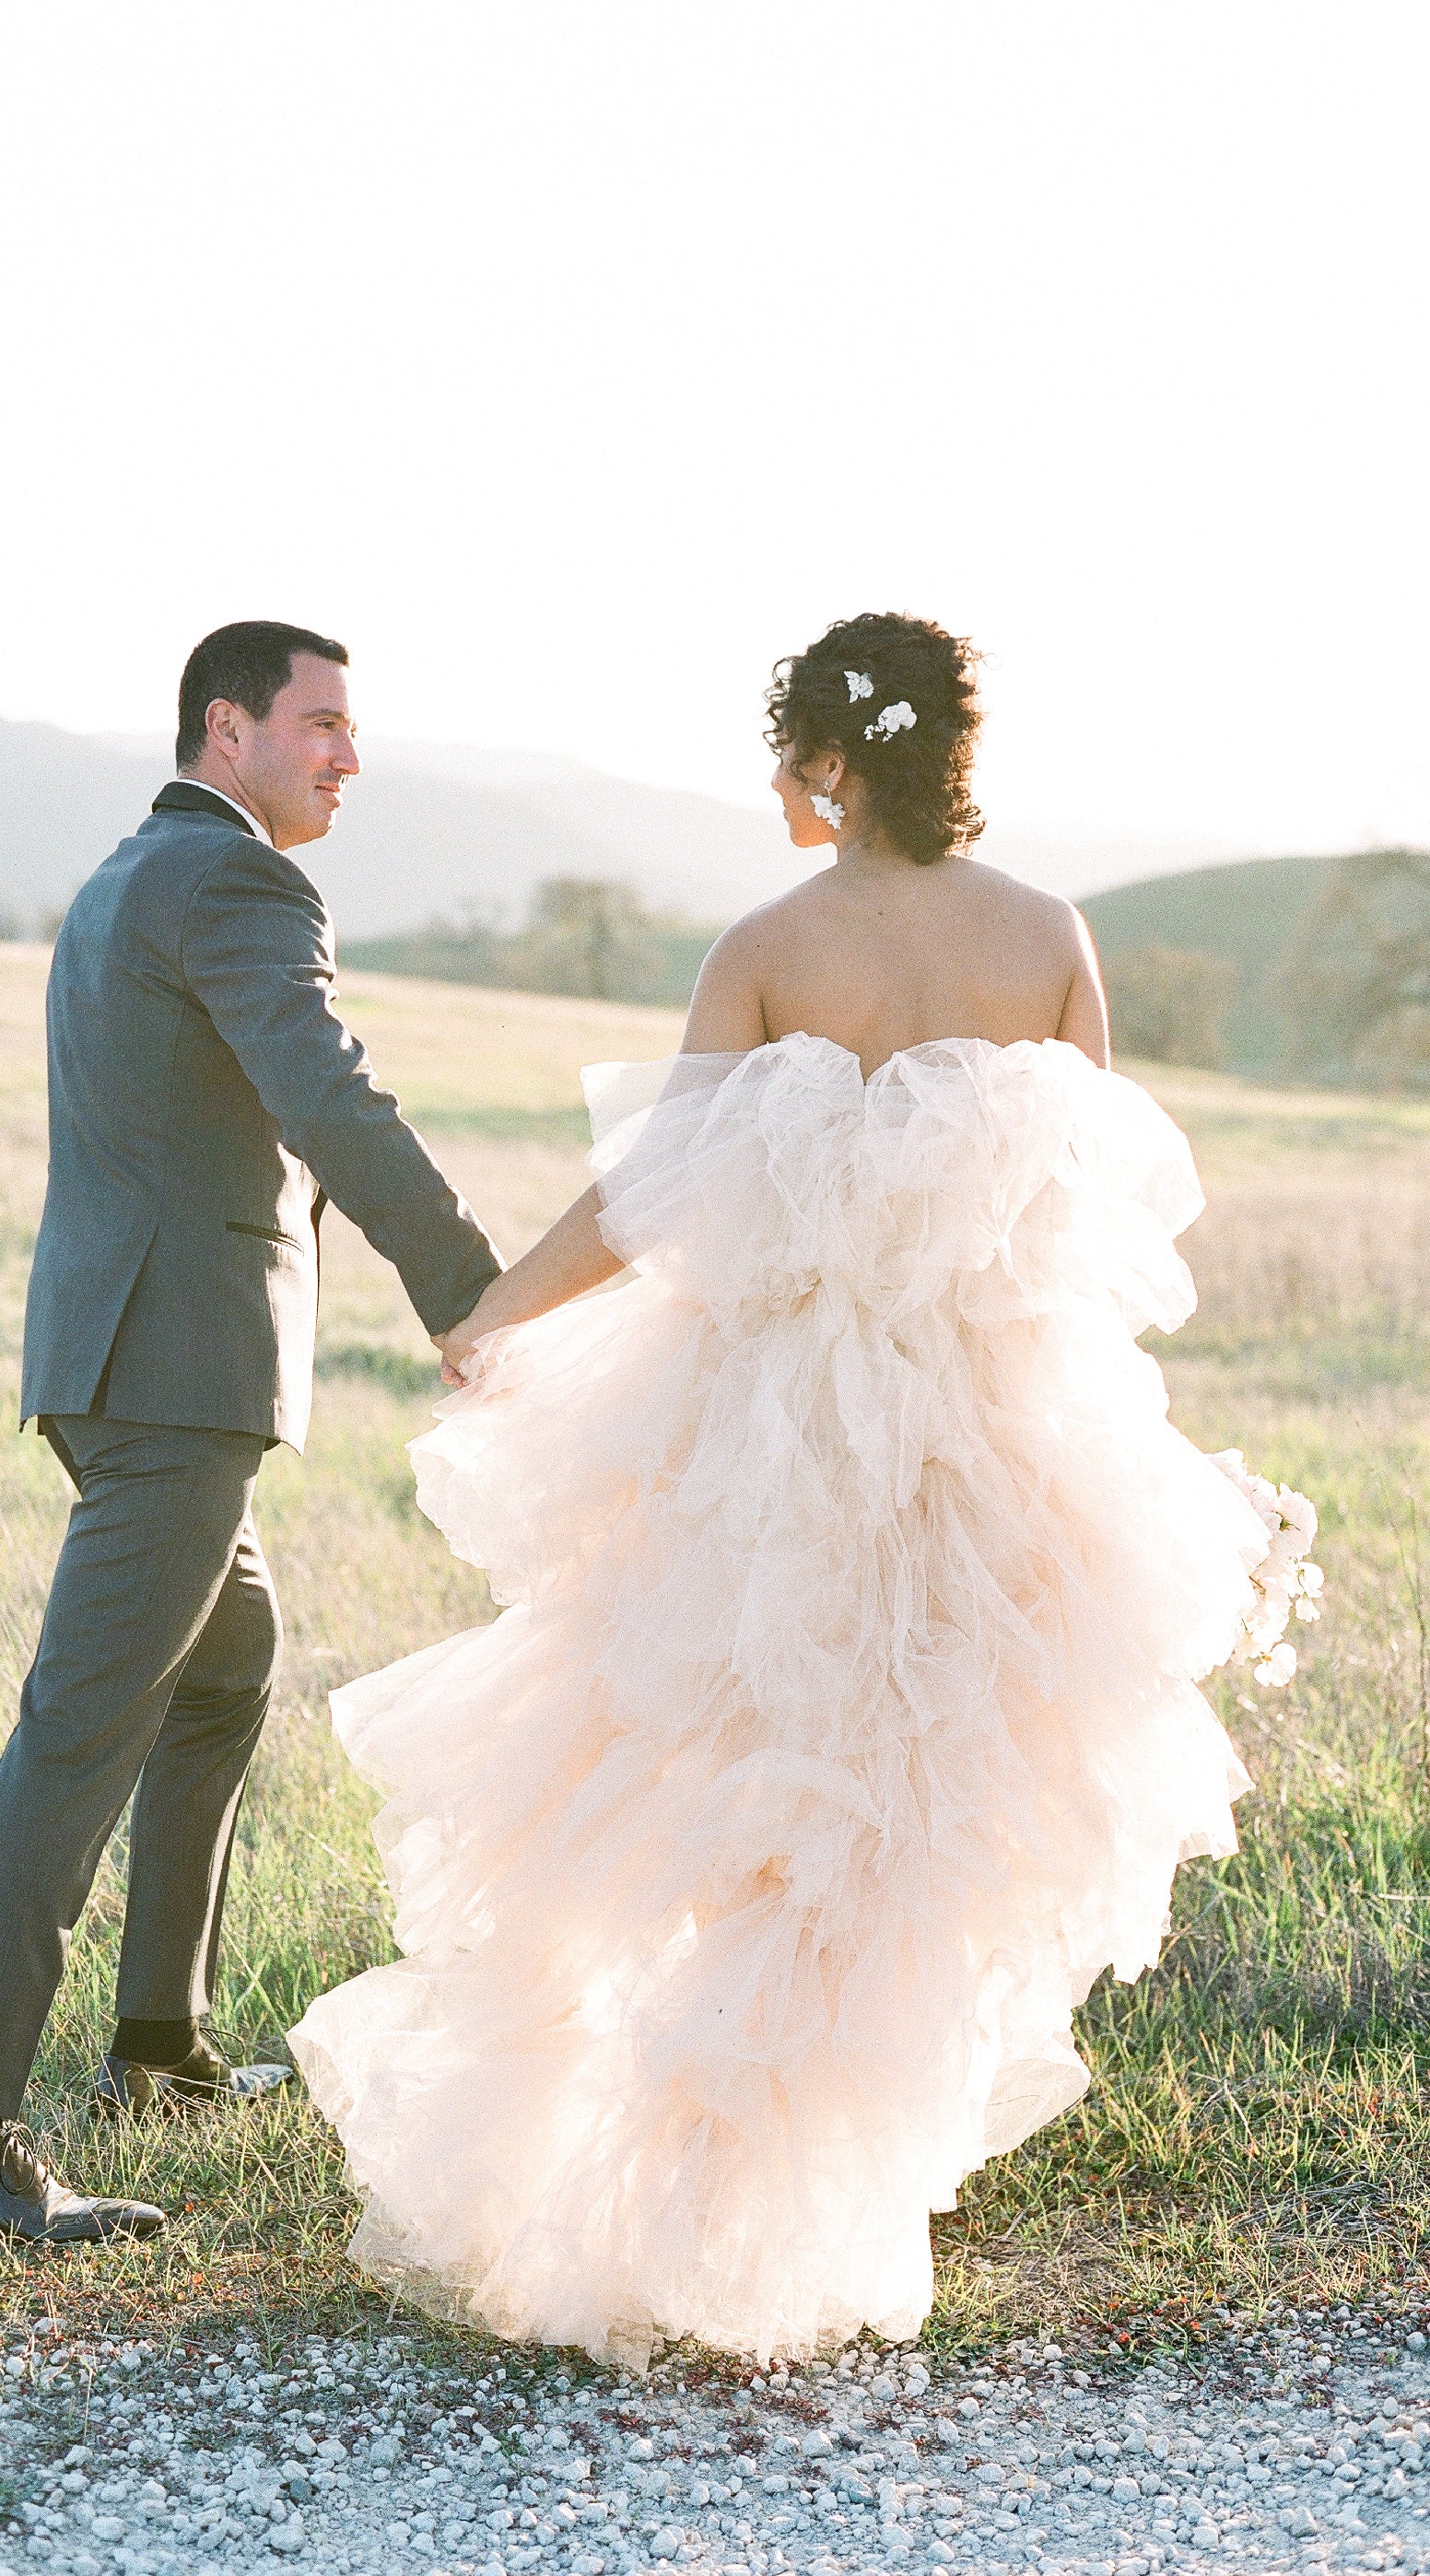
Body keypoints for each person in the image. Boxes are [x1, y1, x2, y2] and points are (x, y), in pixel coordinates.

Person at [292, 611, 1310, 2364]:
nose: (776, 782)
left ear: (834, 763)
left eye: (786, 750)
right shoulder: (1049, 934)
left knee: (742, 1812)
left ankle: (715, 2218)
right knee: (915, 1832)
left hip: (777, 1440)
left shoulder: (770, 945)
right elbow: (1090, 1212)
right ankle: (828, 2209)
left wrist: (491, 1311)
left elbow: (648, 1201)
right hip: (991, 1438)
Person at [0, 621, 502, 2243]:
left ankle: (160, 2042)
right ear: (229, 730)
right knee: (83, 1728)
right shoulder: (238, 885)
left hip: (115, 1355)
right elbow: (330, 1096)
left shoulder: (126, 873)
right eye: (322, 725)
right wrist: (471, 1294)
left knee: (228, 1666)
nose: (348, 756)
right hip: (174, 1376)